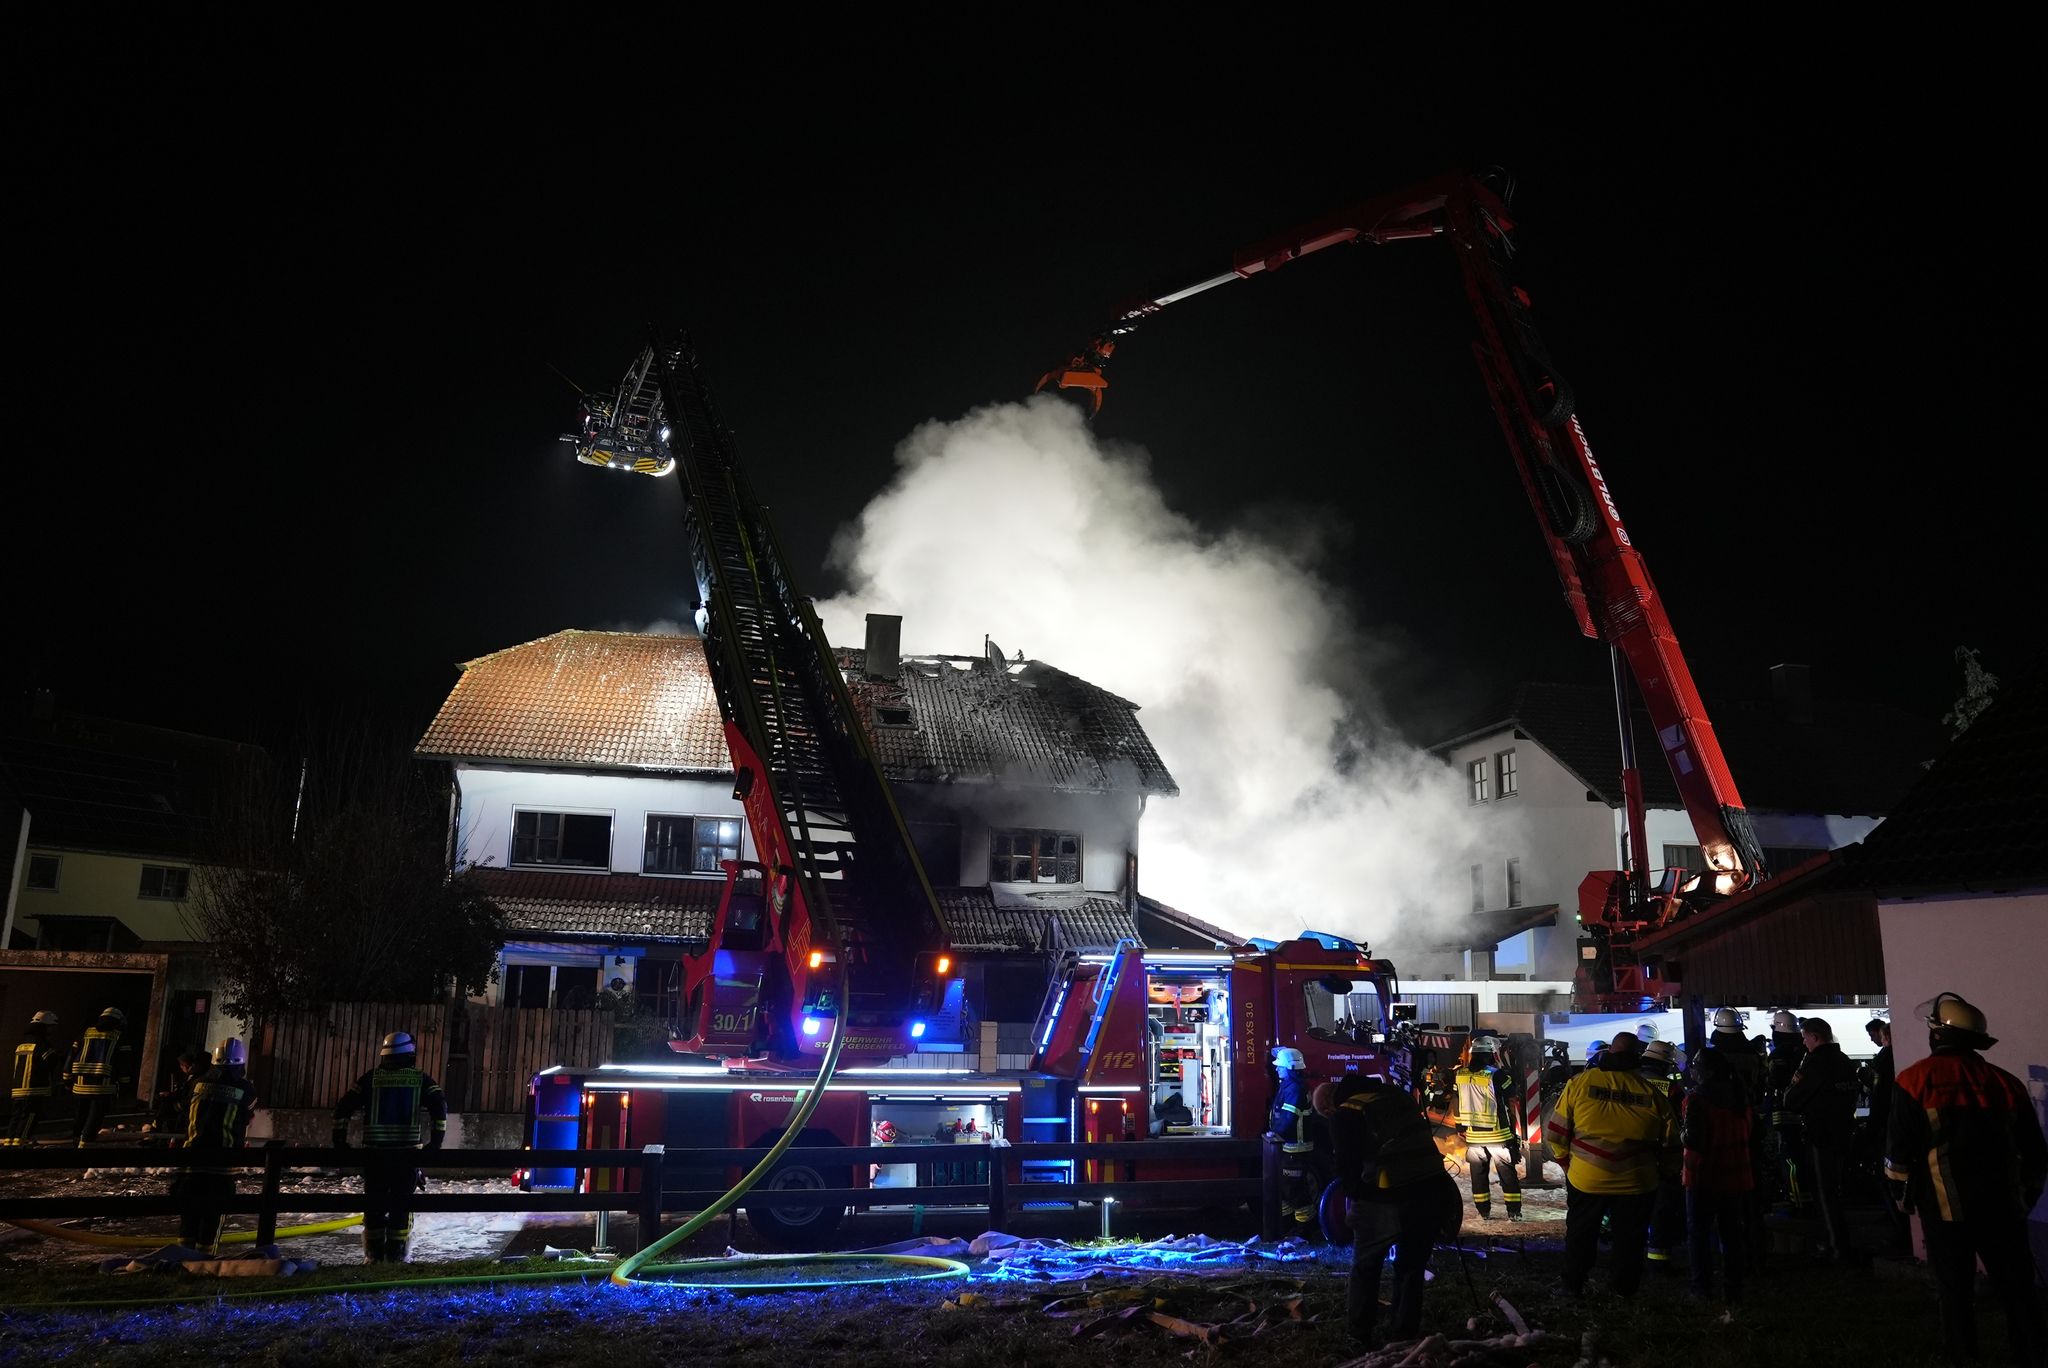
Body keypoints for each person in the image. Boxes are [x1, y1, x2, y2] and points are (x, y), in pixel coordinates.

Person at [1886, 993, 2046, 1366]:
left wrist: (1901, 1196)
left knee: (1955, 1292)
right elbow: (2036, 1153)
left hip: (1945, 1211)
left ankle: (1962, 1357)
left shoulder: (1913, 1081)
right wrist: (2026, 1196)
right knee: (2018, 1292)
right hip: (2003, 1208)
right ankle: (2032, 1354)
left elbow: (1898, 1153)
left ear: (1939, 1035)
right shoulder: (2006, 1083)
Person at [1319, 1073, 1458, 1349]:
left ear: (1328, 1108)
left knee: (1366, 1266)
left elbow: (1348, 1170)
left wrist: (1358, 1199)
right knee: (1411, 1266)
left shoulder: (1346, 1114)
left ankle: (1359, 1334)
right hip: (1431, 1189)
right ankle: (1404, 1333)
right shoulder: (1397, 1096)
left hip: (1386, 1196)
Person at [1548, 1032, 1678, 1298]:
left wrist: (1566, 1164)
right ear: (1636, 1058)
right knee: (1630, 1241)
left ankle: (1573, 1286)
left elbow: (1556, 1133)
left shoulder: (1580, 1083)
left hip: (1587, 1177)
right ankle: (1623, 1291)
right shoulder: (1651, 1093)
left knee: (1581, 1234)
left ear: (1608, 1054)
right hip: (1637, 1182)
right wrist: (1665, 1173)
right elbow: (1671, 1145)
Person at [332, 1031, 448, 1262]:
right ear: (410, 1054)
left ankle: (374, 1256)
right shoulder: (420, 1079)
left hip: (374, 1157)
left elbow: (342, 1109)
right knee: (401, 1206)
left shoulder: (369, 1079)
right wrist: (435, 1143)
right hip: (406, 1158)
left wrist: (340, 1143)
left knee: (374, 1205)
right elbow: (439, 1105)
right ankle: (397, 1255)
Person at [1682, 1030, 1758, 1303]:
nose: (1692, 1072)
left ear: (1705, 1072)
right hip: (1736, 1176)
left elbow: (1693, 1139)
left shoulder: (1697, 1099)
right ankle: (1733, 1288)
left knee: (1699, 1236)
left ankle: (1700, 1288)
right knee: (1732, 1234)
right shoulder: (1740, 1097)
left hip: (1703, 1177)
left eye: (1695, 1068)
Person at [1782, 1017, 1860, 1263]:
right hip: (1844, 1132)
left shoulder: (1815, 1064)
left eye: (1805, 1037)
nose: (1803, 1042)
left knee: (1824, 1192)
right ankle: (1840, 1242)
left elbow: (1791, 1100)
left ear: (1815, 1037)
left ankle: (1836, 1247)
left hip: (1820, 1134)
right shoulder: (1844, 1061)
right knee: (1836, 1190)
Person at [173, 1038, 257, 1254]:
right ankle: (203, 1263)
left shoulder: (196, 1083)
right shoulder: (245, 1089)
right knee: (211, 1220)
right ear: (241, 1063)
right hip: (222, 1166)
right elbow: (247, 1116)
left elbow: (182, 1110)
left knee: (188, 1220)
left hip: (191, 1162)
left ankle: (182, 1262)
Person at [1453, 1035, 1522, 1220]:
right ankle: (1514, 1211)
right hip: (1498, 1134)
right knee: (1507, 1174)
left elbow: (1456, 1100)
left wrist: (1460, 1125)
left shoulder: (1460, 1075)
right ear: (1491, 1054)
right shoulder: (1497, 1075)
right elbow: (1512, 1094)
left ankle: (1483, 1212)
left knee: (1478, 1176)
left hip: (1474, 1137)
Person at [1638, 1039, 1687, 1271]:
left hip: (1631, 1150)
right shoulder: (1672, 1088)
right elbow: (1678, 1122)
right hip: (1661, 1152)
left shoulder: (1631, 1080)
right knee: (1663, 1204)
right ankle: (1659, 1259)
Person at [1267, 1045, 1320, 1233]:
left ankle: (1305, 1232)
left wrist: (1276, 1133)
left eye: (1279, 1066)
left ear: (1290, 1067)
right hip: (1289, 1147)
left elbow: (1288, 1118)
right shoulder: (1290, 1085)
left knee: (1295, 1191)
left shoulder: (1295, 1089)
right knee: (1285, 1190)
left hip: (1296, 1148)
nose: (1276, 1068)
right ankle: (1288, 1229)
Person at [67, 1006, 132, 1145]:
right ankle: (85, 1143)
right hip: (103, 1086)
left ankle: (76, 1138)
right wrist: (124, 1084)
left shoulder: (85, 1033)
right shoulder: (119, 1036)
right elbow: (124, 1063)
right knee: (95, 1115)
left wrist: (66, 1078)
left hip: (80, 1084)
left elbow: (71, 1056)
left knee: (80, 1113)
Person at [6, 1011, 61, 1146]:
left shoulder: (22, 1044)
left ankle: (9, 1141)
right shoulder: (43, 1045)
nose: (51, 1030)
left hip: (18, 1087)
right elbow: (51, 1062)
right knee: (30, 1116)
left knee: (16, 1116)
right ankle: (21, 1142)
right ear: (44, 1027)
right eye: (50, 1027)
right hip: (34, 1088)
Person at [150, 1051, 206, 1143]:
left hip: (186, 1106)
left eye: (183, 1066)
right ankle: (158, 1128)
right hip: (185, 1104)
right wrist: (169, 1094)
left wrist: (171, 1096)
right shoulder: (192, 1077)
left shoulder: (196, 1079)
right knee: (164, 1101)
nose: (182, 1068)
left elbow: (186, 1095)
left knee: (165, 1104)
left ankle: (155, 1128)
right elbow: (182, 1092)